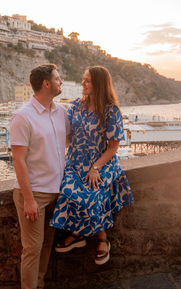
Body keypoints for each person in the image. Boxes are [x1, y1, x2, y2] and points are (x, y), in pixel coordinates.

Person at [50, 66, 135, 265]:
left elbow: (113, 147)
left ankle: (102, 238)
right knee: (68, 192)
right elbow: (67, 138)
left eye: (87, 80)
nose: (83, 83)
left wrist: (95, 168)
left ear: (98, 84)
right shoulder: (76, 106)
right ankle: (78, 234)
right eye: (83, 79)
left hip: (101, 163)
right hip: (75, 163)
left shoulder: (111, 110)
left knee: (92, 194)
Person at [10, 64, 69, 289]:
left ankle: (39, 284)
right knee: (32, 249)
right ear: (46, 84)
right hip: (34, 193)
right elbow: (19, 160)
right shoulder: (23, 117)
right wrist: (29, 199)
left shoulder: (61, 112)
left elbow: (71, 142)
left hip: (57, 192)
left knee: (46, 245)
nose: (60, 81)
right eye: (57, 78)